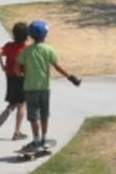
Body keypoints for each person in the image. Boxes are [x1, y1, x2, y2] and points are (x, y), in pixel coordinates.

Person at [18, 19, 81, 154]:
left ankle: (36, 140)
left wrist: (22, 75)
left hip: (30, 88)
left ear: (31, 35)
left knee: (33, 116)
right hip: (44, 88)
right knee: (44, 114)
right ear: (44, 35)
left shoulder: (26, 51)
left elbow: (16, 67)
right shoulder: (49, 49)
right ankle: (44, 139)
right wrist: (71, 77)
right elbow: (57, 67)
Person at [0, 21, 31, 138]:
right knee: (22, 104)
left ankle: (9, 108)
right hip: (22, 76)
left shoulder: (9, 46)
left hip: (10, 76)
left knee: (15, 99)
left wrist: (2, 66)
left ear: (13, 34)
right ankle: (17, 132)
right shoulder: (26, 49)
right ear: (27, 36)